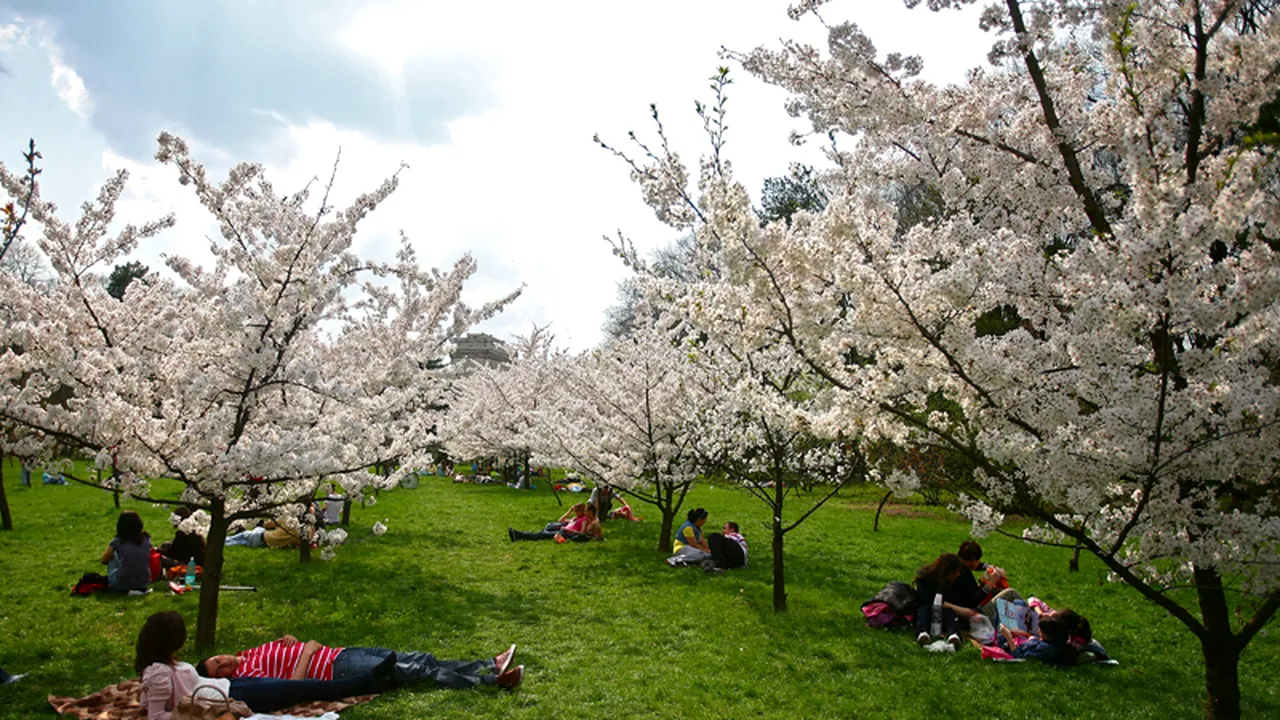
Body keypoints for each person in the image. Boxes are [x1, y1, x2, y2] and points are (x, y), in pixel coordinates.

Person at [136, 611, 397, 720]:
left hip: (232, 685)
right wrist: (192, 710)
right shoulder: (158, 672)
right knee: (304, 690)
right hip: (230, 696)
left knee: (297, 687)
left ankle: (373, 680)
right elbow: (156, 715)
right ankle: (369, 680)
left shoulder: (164, 665)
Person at [197, 636, 523, 690]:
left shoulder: (249, 653)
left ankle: (487, 663)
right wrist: (307, 653)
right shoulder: (247, 673)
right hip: (332, 668)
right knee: (414, 671)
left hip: (340, 652)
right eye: (219, 670)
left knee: (419, 658)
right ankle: (492, 681)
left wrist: (291, 641)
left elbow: (287, 650)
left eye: (217, 660)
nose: (224, 663)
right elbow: (291, 686)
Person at [913, 553, 973, 649]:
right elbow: (930, 599)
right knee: (924, 609)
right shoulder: (924, 579)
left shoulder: (950, 583)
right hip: (925, 611)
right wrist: (959, 610)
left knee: (948, 612)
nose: (958, 574)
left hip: (941, 615)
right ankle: (922, 633)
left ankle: (953, 635)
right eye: (956, 572)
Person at [100, 511, 153, 594]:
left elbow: (103, 560)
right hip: (144, 582)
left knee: (113, 555)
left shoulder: (118, 542)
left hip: (121, 583)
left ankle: (123, 585)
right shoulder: (146, 539)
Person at [509, 503, 586, 541]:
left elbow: (581, 533)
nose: (575, 512)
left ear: (581, 511)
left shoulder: (583, 520)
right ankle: (519, 535)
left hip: (564, 534)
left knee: (542, 534)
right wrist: (569, 511)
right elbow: (561, 520)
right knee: (543, 532)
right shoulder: (576, 518)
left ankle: (519, 535)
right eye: (574, 510)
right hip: (562, 530)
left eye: (576, 511)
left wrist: (567, 529)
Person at [225, 518, 302, 549]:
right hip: (264, 545)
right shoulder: (297, 535)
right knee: (242, 542)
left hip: (260, 536)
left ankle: (224, 539)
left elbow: (267, 524)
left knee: (254, 530)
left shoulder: (288, 519)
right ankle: (226, 543)